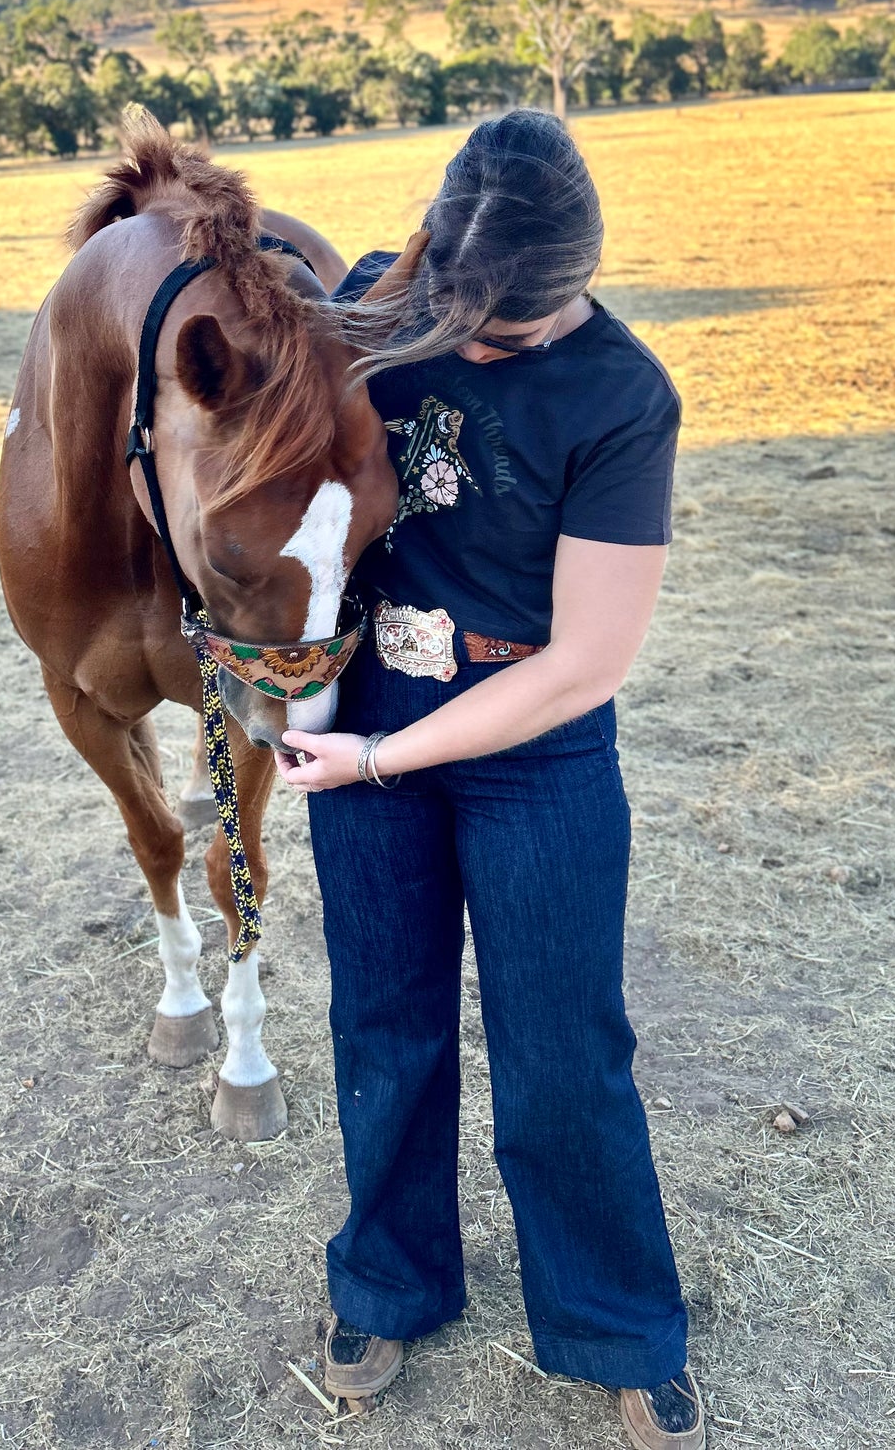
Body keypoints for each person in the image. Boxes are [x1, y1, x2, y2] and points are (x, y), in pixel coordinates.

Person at [276, 110, 705, 1449]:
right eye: (454, 315)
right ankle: (389, 1284)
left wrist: (382, 754)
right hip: (364, 728)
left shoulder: (621, 395)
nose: (470, 347)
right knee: (382, 1023)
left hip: (528, 750)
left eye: (503, 337)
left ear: (573, 283)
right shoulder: (367, 312)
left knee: (561, 1047)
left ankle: (617, 1323)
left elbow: (584, 661)